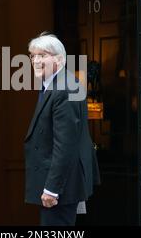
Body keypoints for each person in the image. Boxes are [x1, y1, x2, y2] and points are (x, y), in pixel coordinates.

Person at [24, 32, 100, 226]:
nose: (36, 60)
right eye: (33, 56)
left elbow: (65, 145)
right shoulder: (54, 85)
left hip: (61, 187)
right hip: (58, 182)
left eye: (43, 55)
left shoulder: (65, 89)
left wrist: (52, 189)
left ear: (59, 59)